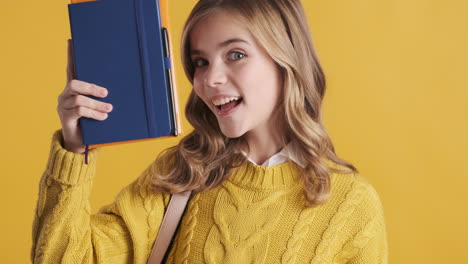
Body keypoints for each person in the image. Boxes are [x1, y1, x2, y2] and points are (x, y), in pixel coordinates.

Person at [31, 0, 388, 263]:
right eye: (200, 62)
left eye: (235, 54)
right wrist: (74, 149)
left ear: (286, 60)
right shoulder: (181, 175)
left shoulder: (351, 205)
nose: (209, 79)